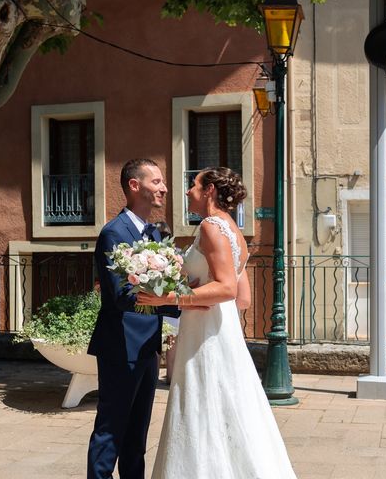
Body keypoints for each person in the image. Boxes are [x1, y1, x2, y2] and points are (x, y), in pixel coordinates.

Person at [138, 167, 297, 478]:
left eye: (193, 186)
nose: (187, 192)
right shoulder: (234, 232)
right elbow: (243, 300)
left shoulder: (211, 226)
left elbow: (226, 289)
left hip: (205, 333)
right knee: (228, 404)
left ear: (209, 190)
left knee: (201, 403)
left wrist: (168, 297)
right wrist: (196, 289)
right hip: (222, 330)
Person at [86, 158, 203, 479]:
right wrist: (177, 302)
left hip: (148, 347)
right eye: (156, 182)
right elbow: (120, 296)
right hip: (120, 347)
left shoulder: (154, 233)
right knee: (111, 430)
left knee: (137, 437)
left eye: (163, 182)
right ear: (134, 186)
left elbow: (168, 285)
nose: (164, 188)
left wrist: (189, 296)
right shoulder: (114, 233)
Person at [153, 221, 179, 384]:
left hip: (156, 303)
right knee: (172, 343)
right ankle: (171, 377)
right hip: (171, 304)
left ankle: (153, 379)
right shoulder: (176, 254)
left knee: (156, 344)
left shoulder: (149, 254)